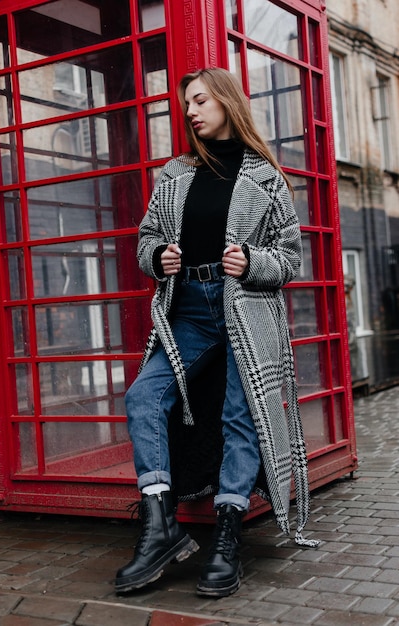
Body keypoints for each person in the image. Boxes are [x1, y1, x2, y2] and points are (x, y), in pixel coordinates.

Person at [115, 67, 318, 599]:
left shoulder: (267, 177)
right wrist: (158, 257)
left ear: (227, 101)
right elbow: (146, 239)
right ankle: (160, 528)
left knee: (238, 414)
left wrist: (252, 260)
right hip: (190, 311)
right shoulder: (177, 173)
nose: (192, 111)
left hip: (247, 312)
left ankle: (227, 534)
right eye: (187, 105)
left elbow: (289, 259)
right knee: (143, 397)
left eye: (200, 100)